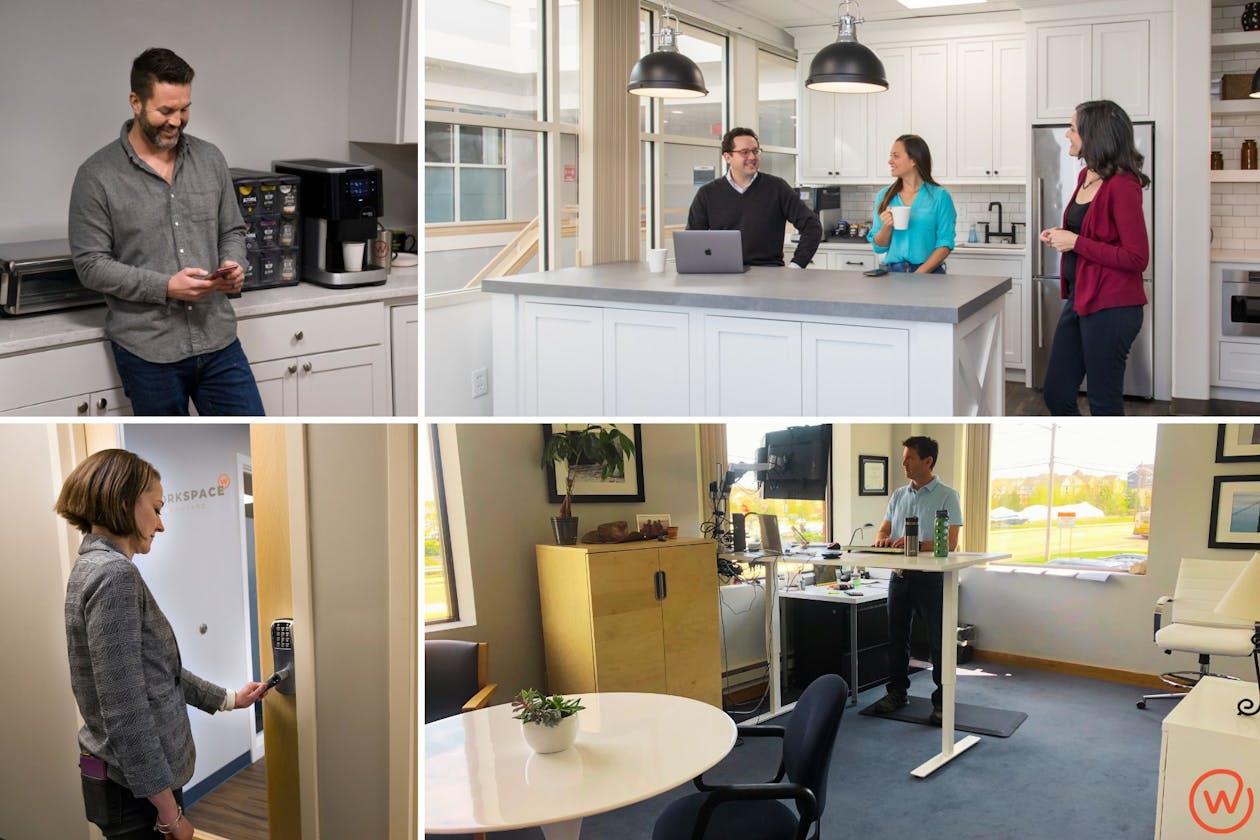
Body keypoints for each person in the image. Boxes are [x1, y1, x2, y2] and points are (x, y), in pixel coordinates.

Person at [57, 449, 268, 839]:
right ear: (124, 503)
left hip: (129, 785)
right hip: (137, 793)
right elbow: (125, 709)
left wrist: (228, 699)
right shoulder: (113, 576)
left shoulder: (91, 566)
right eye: (155, 508)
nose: (161, 523)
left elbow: (156, 670)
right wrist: (170, 814)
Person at [69, 48, 265, 416]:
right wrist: (165, 287)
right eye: (165, 111)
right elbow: (91, 265)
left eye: (184, 109)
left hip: (218, 340)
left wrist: (233, 263)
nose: (177, 121)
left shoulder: (211, 160)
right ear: (136, 102)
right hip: (148, 352)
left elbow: (233, 230)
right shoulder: (96, 176)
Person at [1040, 99, 1150, 416]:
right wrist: (1061, 234)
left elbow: (1136, 257)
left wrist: (1075, 242)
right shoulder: (1086, 176)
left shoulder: (1123, 185)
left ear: (1095, 134)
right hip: (1082, 298)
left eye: (1073, 128)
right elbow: (1090, 230)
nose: (1067, 135)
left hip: (1113, 306)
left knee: (1104, 403)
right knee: (1056, 394)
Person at [868, 436, 963, 725]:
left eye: (909, 458)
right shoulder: (898, 495)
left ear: (927, 461)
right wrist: (884, 539)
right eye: (904, 457)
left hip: (932, 581)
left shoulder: (948, 495)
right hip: (899, 578)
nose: (903, 463)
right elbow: (883, 529)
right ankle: (897, 693)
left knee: (938, 642)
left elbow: (951, 542)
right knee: (897, 640)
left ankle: (942, 702)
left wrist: (912, 543)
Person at [686, 127, 821, 268]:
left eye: (755, 151)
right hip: (723, 275)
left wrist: (797, 264)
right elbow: (692, 240)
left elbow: (812, 226)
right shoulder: (707, 193)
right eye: (744, 152)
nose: (752, 157)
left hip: (769, 275)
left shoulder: (777, 188)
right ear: (728, 157)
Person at [867, 135, 957, 274]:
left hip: (929, 275)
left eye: (896, 156)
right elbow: (879, 247)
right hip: (894, 276)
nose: (890, 161)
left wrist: (919, 275)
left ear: (914, 160)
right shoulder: (884, 196)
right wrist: (886, 227)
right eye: (891, 156)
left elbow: (945, 243)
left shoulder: (940, 197)